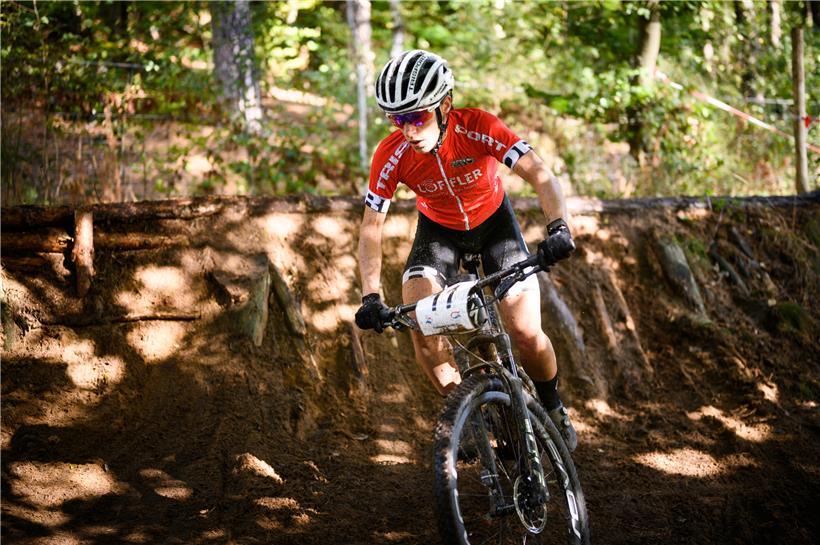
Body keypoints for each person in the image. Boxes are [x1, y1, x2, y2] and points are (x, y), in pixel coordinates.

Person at [354, 50, 577, 451]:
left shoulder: (478, 127)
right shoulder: (391, 154)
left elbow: (540, 174)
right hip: (438, 233)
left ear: (444, 105)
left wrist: (558, 226)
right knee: (421, 325)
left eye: (416, 117)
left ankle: (552, 405)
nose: (407, 129)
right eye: (396, 119)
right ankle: (468, 416)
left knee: (525, 331)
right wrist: (371, 295)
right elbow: (371, 227)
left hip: (495, 226)